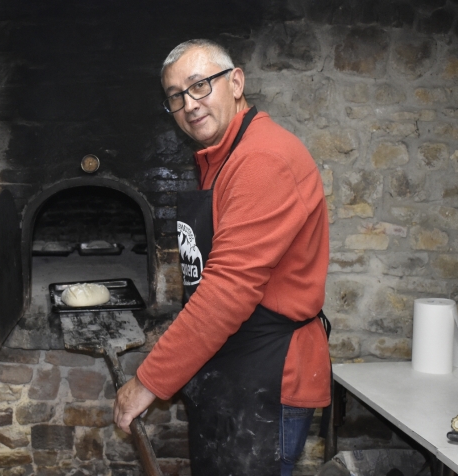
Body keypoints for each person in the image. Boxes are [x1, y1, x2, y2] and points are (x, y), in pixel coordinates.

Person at [113, 39, 331, 475]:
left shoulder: (262, 159)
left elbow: (226, 292)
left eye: (199, 86)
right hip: (235, 370)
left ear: (236, 82)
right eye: (175, 96)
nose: (189, 104)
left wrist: (148, 381)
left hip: (268, 377)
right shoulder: (223, 156)